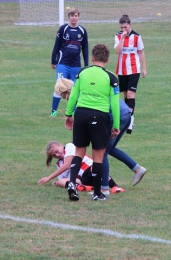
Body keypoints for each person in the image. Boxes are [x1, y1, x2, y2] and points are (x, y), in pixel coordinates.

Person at [65, 43, 120, 201]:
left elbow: (74, 94)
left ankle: (71, 184)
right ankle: (97, 193)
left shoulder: (82, 72)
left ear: (92, 58)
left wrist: (69, 114)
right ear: (107, 60)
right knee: (98, 157)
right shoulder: (111, 78)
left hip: (81, 114)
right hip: (99, 116)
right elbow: (115, 104)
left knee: (78, 153)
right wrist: (115, 125)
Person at [37, 141, 124, 194]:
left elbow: (67, 164)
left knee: (96, 168)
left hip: (90, 170)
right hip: (81, 180)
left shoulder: (69, 147)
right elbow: (64, 178)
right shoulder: (59, 164)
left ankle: (114, 186)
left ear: (60, 145)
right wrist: (58, 182)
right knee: (60, 181)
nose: (57, 155)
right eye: (54, 155)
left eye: (56, 151)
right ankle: (85, 188)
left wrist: (48, 178)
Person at [101, 99, 147, 193]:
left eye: (65, 96)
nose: (66, 98)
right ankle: (137, 168)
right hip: (126, 113)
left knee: (102, 151)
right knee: (110, 148)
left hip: (117, 116)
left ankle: (104, 188)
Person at [50, 7, 89, 117]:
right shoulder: (63, 29)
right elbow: (57, 45)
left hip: (76, 65)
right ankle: (54, 111)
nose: (74, 18)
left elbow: (85, 48)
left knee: (74, 89)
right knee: (60, 86)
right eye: (72, 16)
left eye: (76, 16)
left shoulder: (82, 31)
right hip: (63, 63)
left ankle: (73, 110)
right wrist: (54, 60)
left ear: (78, 17)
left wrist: (86, 64)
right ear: (69, 17)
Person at [114, 14, 147, 134]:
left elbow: (141, 53)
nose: (123, 30)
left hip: (134, 69)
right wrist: (122, 38)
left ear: (130, 25)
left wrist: (144, 68)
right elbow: (117, 51)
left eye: (125, 27)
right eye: (122, 27)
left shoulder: (137, 37)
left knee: (130, 93)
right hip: (122, 70)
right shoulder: (118, 36)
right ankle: (127, 116)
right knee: (125, 94)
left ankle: (131, 120)